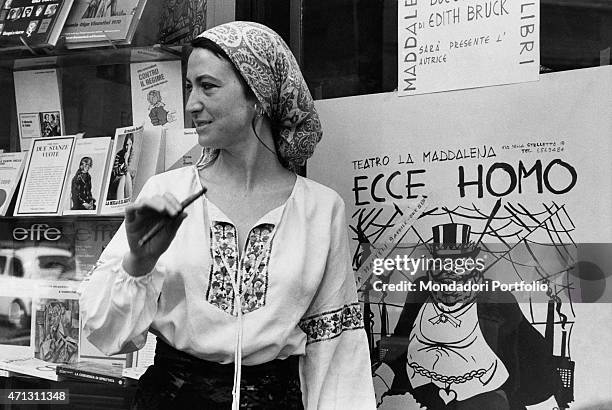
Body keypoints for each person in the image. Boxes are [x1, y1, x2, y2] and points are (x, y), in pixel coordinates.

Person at [81, 21, 376, 410]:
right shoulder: (167, 193)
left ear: (257, 95)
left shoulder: (321, 210)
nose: (191, 104)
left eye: (208, 86)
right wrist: (139, 262)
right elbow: (102, 332)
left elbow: (336, 351)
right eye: (189, 87)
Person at [382, 223, 560, 409]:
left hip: (487, 396)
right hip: (425, 394)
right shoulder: (420, 291)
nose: (449, 270)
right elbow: (401, 341)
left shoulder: (494, 295)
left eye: (458, 261)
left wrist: (505, 397)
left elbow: (526, 349)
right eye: (442, 261)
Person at [107, 133, 134, 201]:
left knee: (126, 175)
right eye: (126, 144)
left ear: (132, 144)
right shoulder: (119, 154)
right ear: (124, 144)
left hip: (125, 177)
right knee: (123, 177)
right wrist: (123, 163)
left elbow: (127, 171)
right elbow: (115, 173)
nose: (128, 147)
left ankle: (129, 200)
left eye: (130, 144)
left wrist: (126, 161)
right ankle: (120, 201)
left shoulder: (131, 153)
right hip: (115, 180)